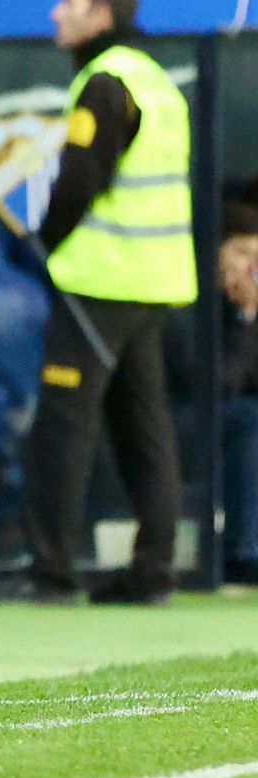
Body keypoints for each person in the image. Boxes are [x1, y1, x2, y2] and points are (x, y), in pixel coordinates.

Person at [16, 0, 196, 607]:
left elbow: (79, 182)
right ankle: (152, 574)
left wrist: (39, 242)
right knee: (143, 426)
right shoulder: (158, 81)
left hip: (100, 281)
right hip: (154, 281)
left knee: (62, 428)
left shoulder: (104, 82)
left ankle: (52, 574)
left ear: (101, 17)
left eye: (68, 1)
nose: (55, 13)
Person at [164, 200, 258, 587]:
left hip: (228, 421)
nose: (250, 267)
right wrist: (243, 321)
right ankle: (244, 551)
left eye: (257, 256)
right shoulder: (186, 304)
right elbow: (214, 386)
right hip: (180, 424)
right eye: (240, 253)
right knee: (250, 419)